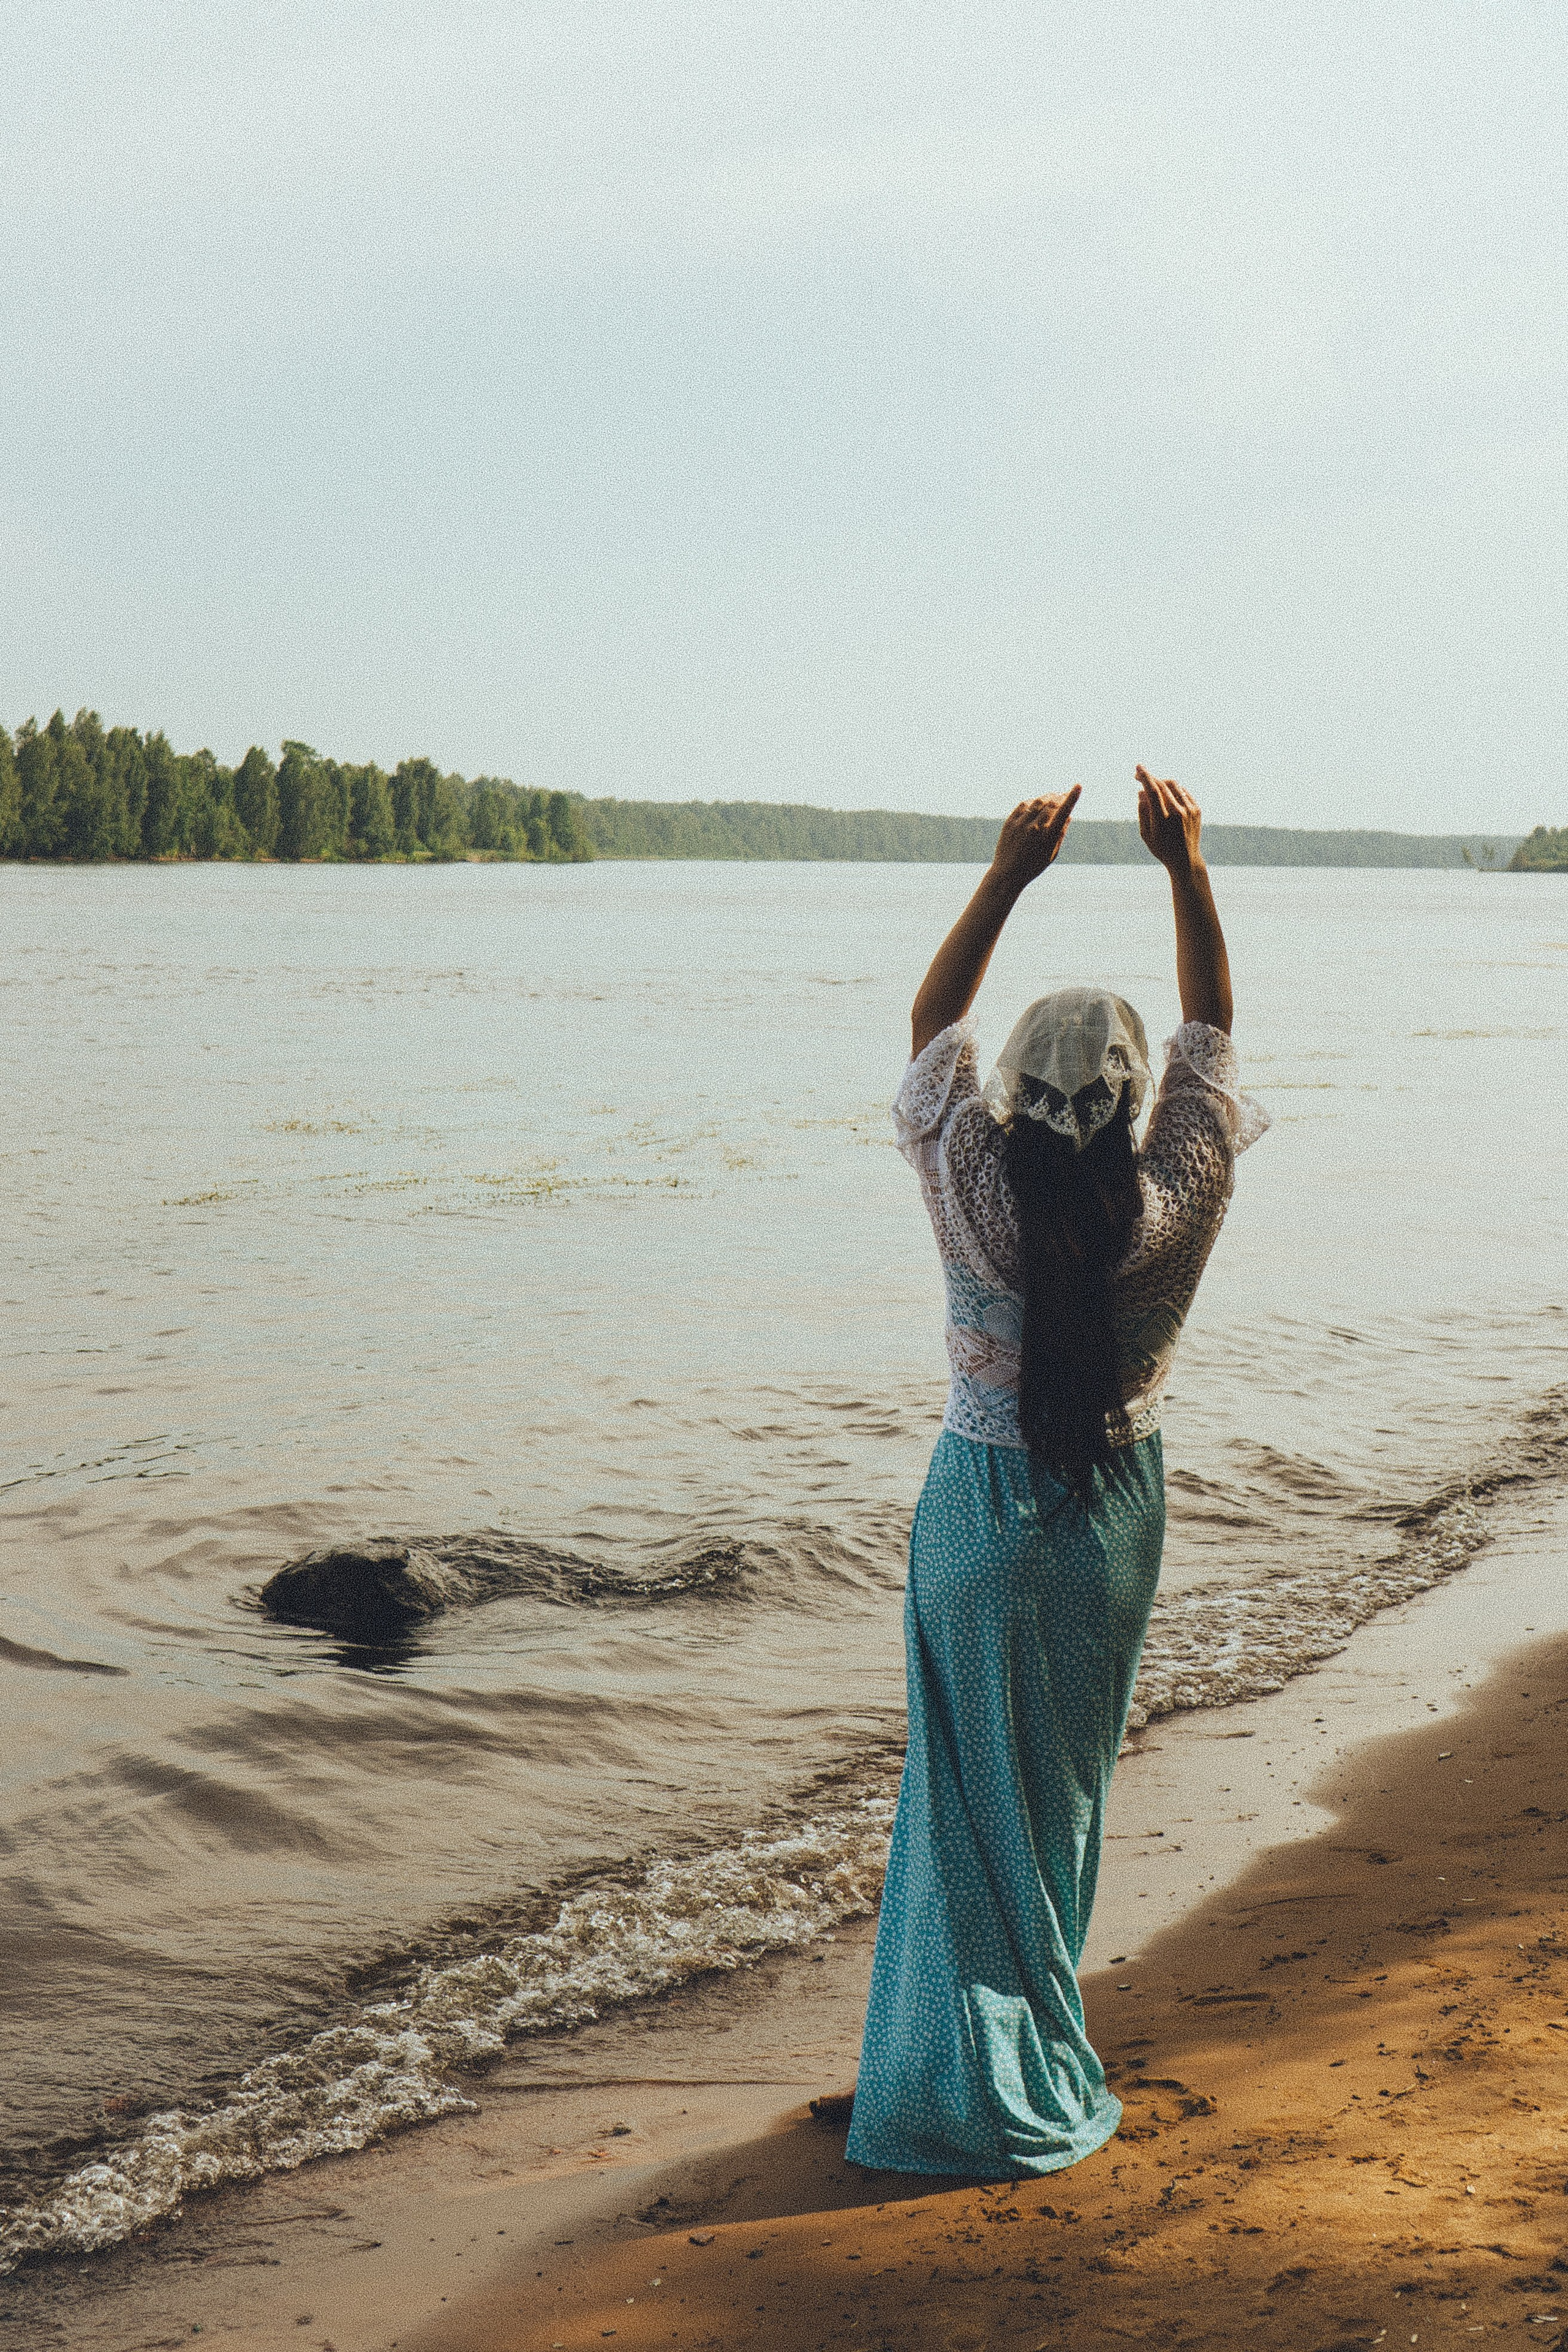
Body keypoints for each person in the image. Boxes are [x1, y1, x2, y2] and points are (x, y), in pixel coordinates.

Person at [839, 766, 1268, 2179]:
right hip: (1109, 1521)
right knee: (1058, 1808)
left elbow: (928, 1033)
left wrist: (1006, 874)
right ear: (1135, 1096)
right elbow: (1210, 1036)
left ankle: (942, 2072)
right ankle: (1018, 2044)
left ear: (1014, 1087)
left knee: (958, 1804)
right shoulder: (1176, 1193)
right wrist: (1183, 869)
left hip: (976, 1509)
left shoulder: (967, 1175)